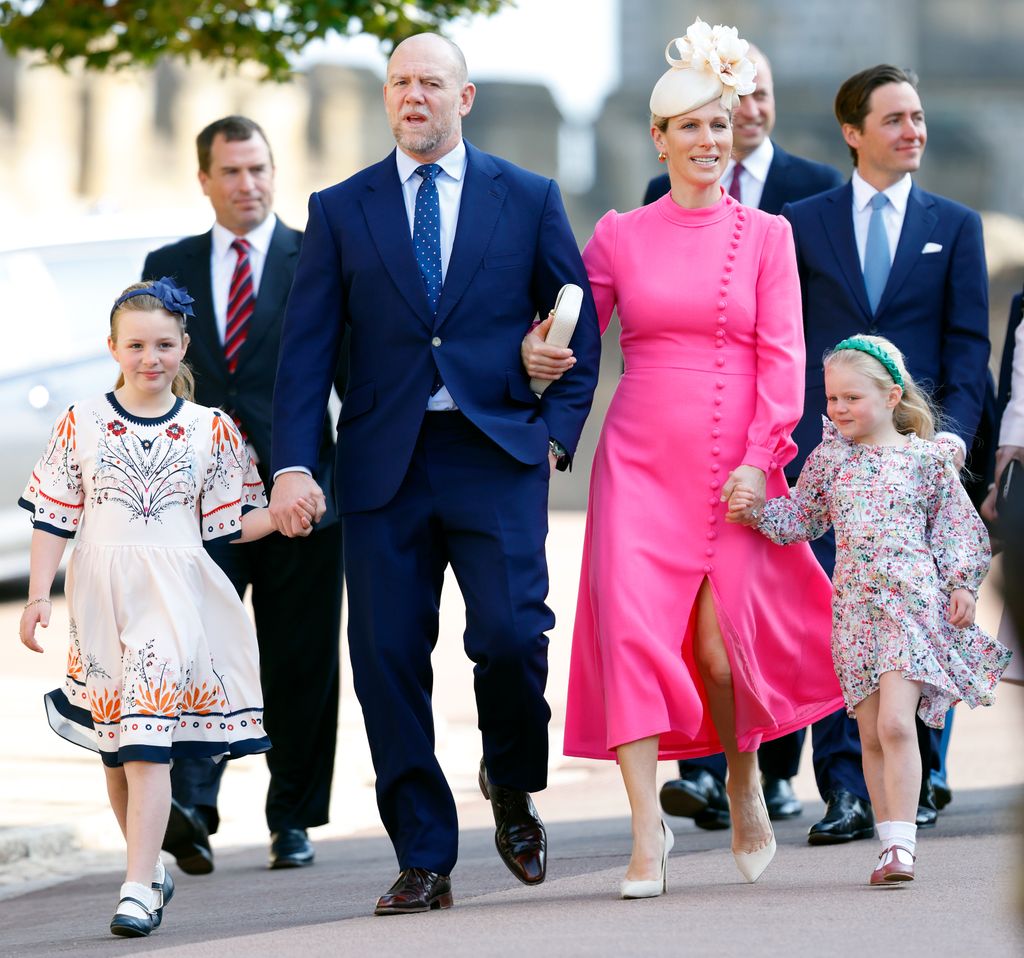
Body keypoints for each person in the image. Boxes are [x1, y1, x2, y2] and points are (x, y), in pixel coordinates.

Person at [268, 33, 600, 915]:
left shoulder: (526, 198)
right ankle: (423, 854)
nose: (413, 96)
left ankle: (512, 777)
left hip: (495, 457)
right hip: (382, 468)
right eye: (399, 83)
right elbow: (304, 356)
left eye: (431, 83)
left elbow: (580, 320)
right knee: (384, 661)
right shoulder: (341, 209)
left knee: (510, 635)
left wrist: (556, 437)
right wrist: (296, 465)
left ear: (467, 97)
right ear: (387, 99)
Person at [557, 18, 843, 898]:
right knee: (635, 639)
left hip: (734, 460)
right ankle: (648, 834)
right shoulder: (615, 234)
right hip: (638, 456)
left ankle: (746, 775)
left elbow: (785, 357)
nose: (709, 139)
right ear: (660, 138)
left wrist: (766, 456)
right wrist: (541, 353)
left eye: (720, 123)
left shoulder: (767, 235)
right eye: (691, 126)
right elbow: (577, 336)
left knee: (722, 654)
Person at [17, 279, 313, 937]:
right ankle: (149, 870)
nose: (151, 357)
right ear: (113, 348)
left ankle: (135, 890)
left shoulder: (211, 429)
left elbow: (231, 522)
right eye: (136, 345)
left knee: (149, 744)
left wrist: (283, 517)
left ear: (183, 348)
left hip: (174, 601)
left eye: (164, 344)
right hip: (99, 605)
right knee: (117, 750)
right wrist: (39, 594)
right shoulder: (82, 421)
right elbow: (52, 516)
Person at [780, 64, 991, 844]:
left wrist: (952, 438)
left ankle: (923, 776)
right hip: (829, 462)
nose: (914, 131)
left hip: (919, 465)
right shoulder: (802, 221)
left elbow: (970, 347)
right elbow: (787, 338)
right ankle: (843, 788)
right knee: (844, 622)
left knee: (925, 618)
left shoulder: (956, 224)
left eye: (920, 117)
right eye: (896, 119)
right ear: (853, 130)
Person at [642, 42, 844, 829]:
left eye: (750, 98)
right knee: (688, 614)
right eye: (706, 114)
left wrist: (782, 437)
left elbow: (797, 327)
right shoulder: (660, 194)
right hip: (666, 446)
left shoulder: (812, 189)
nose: (739, 116)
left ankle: (774, 768)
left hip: (767, 427)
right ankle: (705, 769)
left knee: (768, 606)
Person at [144, 116, 346, 873]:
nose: (247, 184)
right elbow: (150, 376)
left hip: (300, 500)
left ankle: (292, 816)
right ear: (204, 179)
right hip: (195, 509)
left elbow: (354, 383)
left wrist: (333, 484)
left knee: (299, 661)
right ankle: (194, 807)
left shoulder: (318, 259)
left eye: (258, 168)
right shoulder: (169, 267)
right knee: (195, 652)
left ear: (274, 170)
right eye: (230, 172)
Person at [732, 335, 1011, 884]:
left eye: (851, 398)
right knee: (869, 732)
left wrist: (963, 586)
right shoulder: (830, 461)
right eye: (832, 399)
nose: (838, 410)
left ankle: (904, 846)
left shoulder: (926, 459)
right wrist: (757, 511)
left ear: (890, 396)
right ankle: (889, 842)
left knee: (895, 723)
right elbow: (803, 519)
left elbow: (956, 529)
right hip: (855, 617)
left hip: (912, 608)